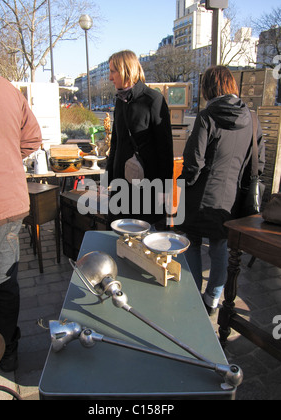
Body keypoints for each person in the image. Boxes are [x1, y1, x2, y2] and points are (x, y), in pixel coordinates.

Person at [178, 65, 265, 315]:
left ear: (209, 87)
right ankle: (212, 299)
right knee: (220, 248)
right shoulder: (254, 119)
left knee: (191, 244)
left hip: (198, 198)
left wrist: (183, 183)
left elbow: (194, 162)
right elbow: (259, 163)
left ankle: (193, 296)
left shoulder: (207, 117)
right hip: (231, 202)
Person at [0, 67, 42, 371]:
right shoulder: (5, 87)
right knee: (3, 284)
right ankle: (6, 353)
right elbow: (32, 140)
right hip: (9, 204)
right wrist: (3, 158)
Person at [106, 50, 174, 226]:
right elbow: (116, 143)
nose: (110, 77)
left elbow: (165, 149)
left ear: (125, 70)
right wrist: (108, 179)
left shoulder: (153, 99)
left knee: (145, 238)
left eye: (113, 71)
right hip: (120, 185)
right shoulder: (120, 100)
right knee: (118, 234)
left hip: (147, 186)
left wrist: (164, 189)